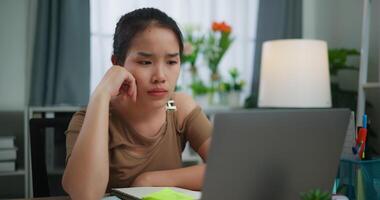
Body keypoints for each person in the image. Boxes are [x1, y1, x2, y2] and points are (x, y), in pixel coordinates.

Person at [62, 7, 212, 199]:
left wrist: (149, 181)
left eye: (172, 62)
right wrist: (101, 96)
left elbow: (228, 167)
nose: (160, 76)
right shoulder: (89, 118)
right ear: (117, 64)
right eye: (145, 62)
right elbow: (85, 195)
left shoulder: (176, 107)